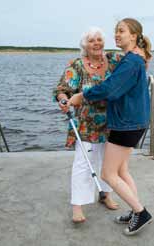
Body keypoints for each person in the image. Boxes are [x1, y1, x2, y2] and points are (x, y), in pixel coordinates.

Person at [68, 18, 153, 235]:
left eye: (121, 31)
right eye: (115, 31)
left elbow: (111, 89)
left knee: (108, 174)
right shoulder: (132, 58)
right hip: (132, 122)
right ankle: (135, 210)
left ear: (133, 35)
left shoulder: (130, 61)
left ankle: (141, 212)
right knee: (122, 170)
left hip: (127, 124)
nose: (116, 35)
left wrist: (82, 95)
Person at [53, 27, 123, 223]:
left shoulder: (114, 61)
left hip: (113, 121)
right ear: (85, 45)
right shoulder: (76, 65)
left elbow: (135, 64)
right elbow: (62, 89)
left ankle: (106, 194)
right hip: (86, 123)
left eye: (99, 39)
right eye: (91, 40)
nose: (96, 43)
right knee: (83, 164)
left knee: (110, 162)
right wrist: (63, 100)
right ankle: (78, 205)